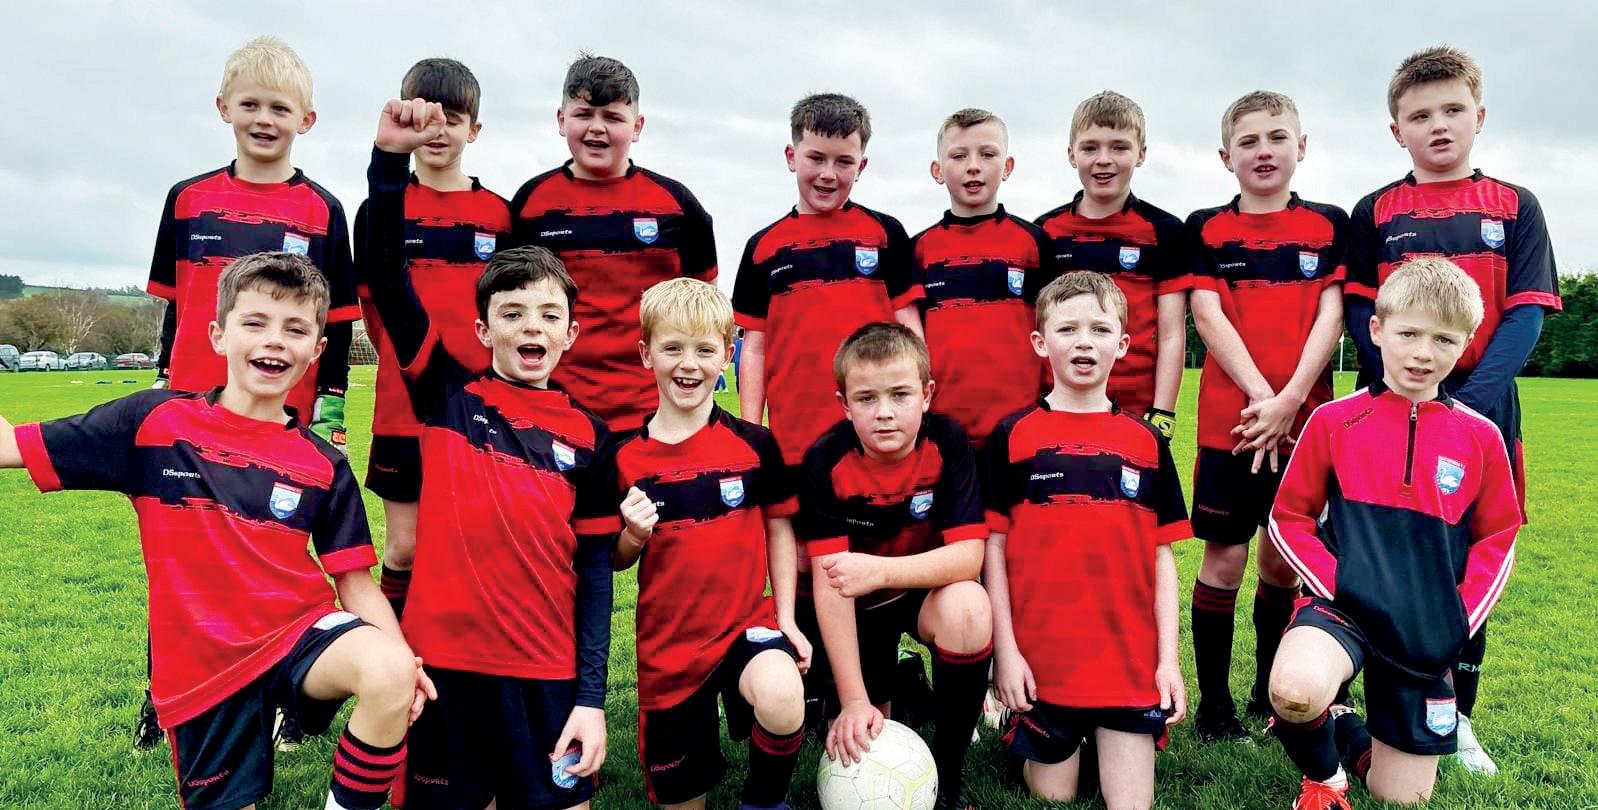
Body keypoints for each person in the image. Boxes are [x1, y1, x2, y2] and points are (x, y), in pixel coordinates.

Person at [0, 252, 431, 810]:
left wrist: (404, 664)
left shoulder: (324, 463)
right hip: (202, 668)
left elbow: (353, 580)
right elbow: (10, 446)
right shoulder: (153, 424)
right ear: (218, 335)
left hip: (298, 635)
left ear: (317, 350)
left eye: (295, 328)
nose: (275, 340)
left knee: (389, 669)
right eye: (255, 322)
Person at [365, 100, 619, 810]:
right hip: (444, 671)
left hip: (547, 677)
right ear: (483, 330)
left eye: (548, 315)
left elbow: (596, 575)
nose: (530, 327)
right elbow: (387, 274)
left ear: (570, 334)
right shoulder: (445, 395)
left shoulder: (592, 438)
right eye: (511, 313)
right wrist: (388, 163)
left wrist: (591, 699)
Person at [1343, 46, 1562, 774]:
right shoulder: (1375, 211)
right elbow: (1361, 313)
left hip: (1482, 416)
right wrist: (1403, 391)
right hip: (1387, 412)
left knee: (1466, 562)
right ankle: (1359, 704)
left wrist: (1459, 407)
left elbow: (1525, 316)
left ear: (1480, 115)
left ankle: (1456, 716)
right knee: (1378, 556)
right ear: (1396, 130)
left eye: (1452, 110)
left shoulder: (1516, 205)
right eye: (1419, 115)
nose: (1437, 125)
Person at [141, 35, 359, 748]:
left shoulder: (324, 210)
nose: (265, 119)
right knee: (182, 564)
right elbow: (177, 306)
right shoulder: (187, 198)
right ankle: (163, 695)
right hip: (193, 416)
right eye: (251, 105)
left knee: (280, 556)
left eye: (280, 108)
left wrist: (329, 411)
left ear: (307, 119)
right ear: (223, 108)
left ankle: (294, 694)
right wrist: (161, 388)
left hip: (281, 420)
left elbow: (337, 323)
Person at [1268, 258, 1521, 808]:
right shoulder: (1334, 421)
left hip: (1423, 625)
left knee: (1401, 797)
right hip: (1346, 607)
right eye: (1409, 334)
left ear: (1466, 345)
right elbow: (1289, 517)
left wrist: (1458, 616)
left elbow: (1499, 536)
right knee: (1293, 690)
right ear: (1377, 330)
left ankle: (1345, 725)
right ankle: (1324, 778)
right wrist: (1340, 584)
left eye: (1443, 339)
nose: (1423, 353)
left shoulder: (1481, 437)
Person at [986, 271, 1189, 810]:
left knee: (1131, 803)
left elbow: (1162, 557)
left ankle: (1105, 737)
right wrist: (1006, 653)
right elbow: (994, 550)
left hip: (1125, 664)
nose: (1084, 342)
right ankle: (1027, 729)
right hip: (1045, 665)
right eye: (1067, 329)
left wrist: (1167, 662)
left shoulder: (1146, 442)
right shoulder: (1012, 436)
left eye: (1100, 329)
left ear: (1122, 344)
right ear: (1040, 342)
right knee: (1055, 796)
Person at [1185, 90, 1348, 742]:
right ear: (1226, 156)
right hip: (1232, 426)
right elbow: (1206, 315)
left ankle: (1268, 696)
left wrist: (1291, 402)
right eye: (1248, 141)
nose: (1264, 151)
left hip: (1306, 427)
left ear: (1300, 147)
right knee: (1224, 561)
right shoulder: (1205, 227)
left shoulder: (1330, 225)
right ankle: (1215, 707)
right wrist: (1265, 401)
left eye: (1277, 137)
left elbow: (1333, 315)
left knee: (1282, 563)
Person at [613, 278, 811, 810]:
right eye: (672, 348)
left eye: (704, 350)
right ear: (646, 353)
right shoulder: (624, 458)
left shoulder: (754, 444)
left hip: (745, 624)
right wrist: (632, 535)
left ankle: (763, 801)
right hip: (670, 648)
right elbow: (614, 558)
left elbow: (779, 528)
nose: (689, 364)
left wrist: (786, 619)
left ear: (727, 355)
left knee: (782, 694)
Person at [795, 323, 992, 810]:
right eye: (866, 398)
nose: (884, 412)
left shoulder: (947, 441)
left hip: (917, 592)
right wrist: (854, 700)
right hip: (855, 608)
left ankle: (948, 776)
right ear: (844, 404)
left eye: (900, 394)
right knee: (866, 732)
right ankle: (896, 683)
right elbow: (832, 584)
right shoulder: (825, 459)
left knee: (969, 607)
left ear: (926, 395)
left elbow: (969, 557)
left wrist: (882, 571)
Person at [353, 57, 512, 620]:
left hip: (485, 406)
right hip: (404, 407)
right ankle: (395, 652)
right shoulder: (378, 211)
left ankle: (459, 656)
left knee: (476, 544)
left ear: (475, 129)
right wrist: (410, 366)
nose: (439, 131)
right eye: (427, 118)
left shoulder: (500, 215)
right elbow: (376, 307)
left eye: (454, 119)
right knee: (405, 547)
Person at [511, 53, 717, 432]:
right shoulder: (529, 206)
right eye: (584, 114)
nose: (597, 128)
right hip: (553, 409)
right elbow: (510, 308)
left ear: (637, 127)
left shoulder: (679, 206)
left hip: (655, 413)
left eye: (613, 117)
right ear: (561, 120)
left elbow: (705, 313)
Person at [732, 93, 922, 468]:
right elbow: (754, 350)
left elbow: (911, 332)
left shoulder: (886, 234)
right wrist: (751, 431)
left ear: (861, 165)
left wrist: (916, 414)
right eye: (816, 158)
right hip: (795, 441)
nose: (828, 174)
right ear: (791, 157)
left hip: (879, 439)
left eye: (844, 162)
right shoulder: (763, 247)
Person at [1035, 91, 1189, 436]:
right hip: (1058, 406)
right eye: (1090, 148)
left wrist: (1162, 414)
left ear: (1141, 154)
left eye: (1119, 147)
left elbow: (1171, 332)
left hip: (1136, 412)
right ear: (1072, 154)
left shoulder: (1165, 231)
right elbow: (1038, 326)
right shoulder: (1044, 232)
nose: (1103, 160)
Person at [912, 107, 1057, 447]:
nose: (973, 166)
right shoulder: (918, 249)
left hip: (1022, 426)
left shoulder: (1035, 243)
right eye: (959, 156)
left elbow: (1055, 330)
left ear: (1007, 167)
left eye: (987, 154)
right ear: (937, 171)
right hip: (941, 431)